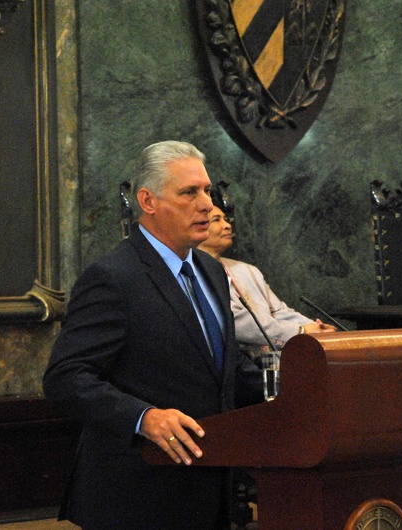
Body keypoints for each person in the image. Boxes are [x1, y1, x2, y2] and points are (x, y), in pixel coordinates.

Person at [43, 141, 263, 530]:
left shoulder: (211, 272)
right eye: (189, 192)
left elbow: (221, 369)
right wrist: (144, 418)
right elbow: (66, 377)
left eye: (207, 191)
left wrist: (298, 387)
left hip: (213, 491)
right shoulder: (113, 278)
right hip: (137, 496)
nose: (208, 206)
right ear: (148, 200)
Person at [197, 198, 337, 353]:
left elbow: (278, 311)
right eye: (217, 220)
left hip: (272, 359)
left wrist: (318, 329)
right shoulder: (196, 272)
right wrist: (300, 331)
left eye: (226, 219)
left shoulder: (247, 270)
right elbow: (236, 322)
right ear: (200, 227)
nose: (228, 226)